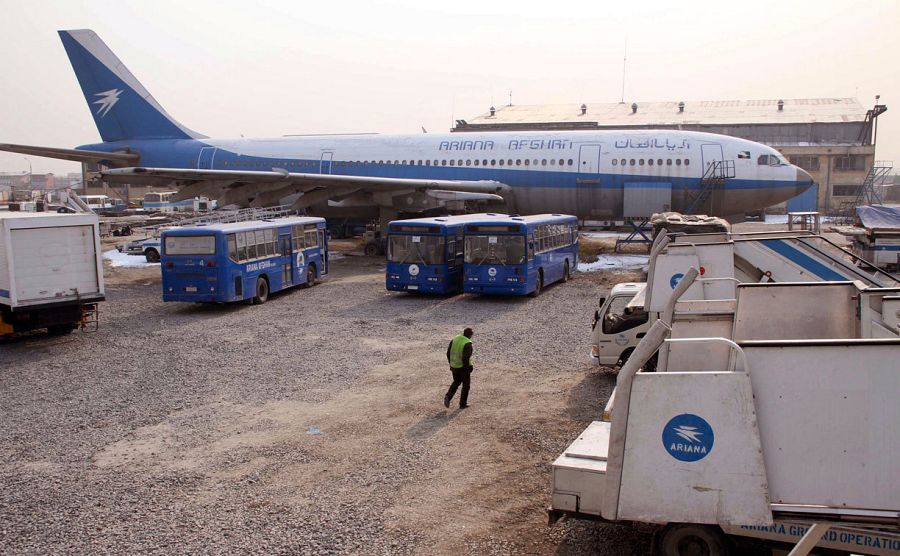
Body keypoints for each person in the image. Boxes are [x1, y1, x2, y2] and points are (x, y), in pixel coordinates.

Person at [444, 327, 474, 409]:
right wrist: (467, 368)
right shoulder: (467, 343)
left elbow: (448, 353)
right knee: (466, 385)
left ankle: (448, 396)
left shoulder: (455, 339)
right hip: (463, 368)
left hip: (454, 366)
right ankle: (462, 404)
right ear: (470, 335)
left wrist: (451, 363)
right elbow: (466, 358)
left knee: (456, 382)